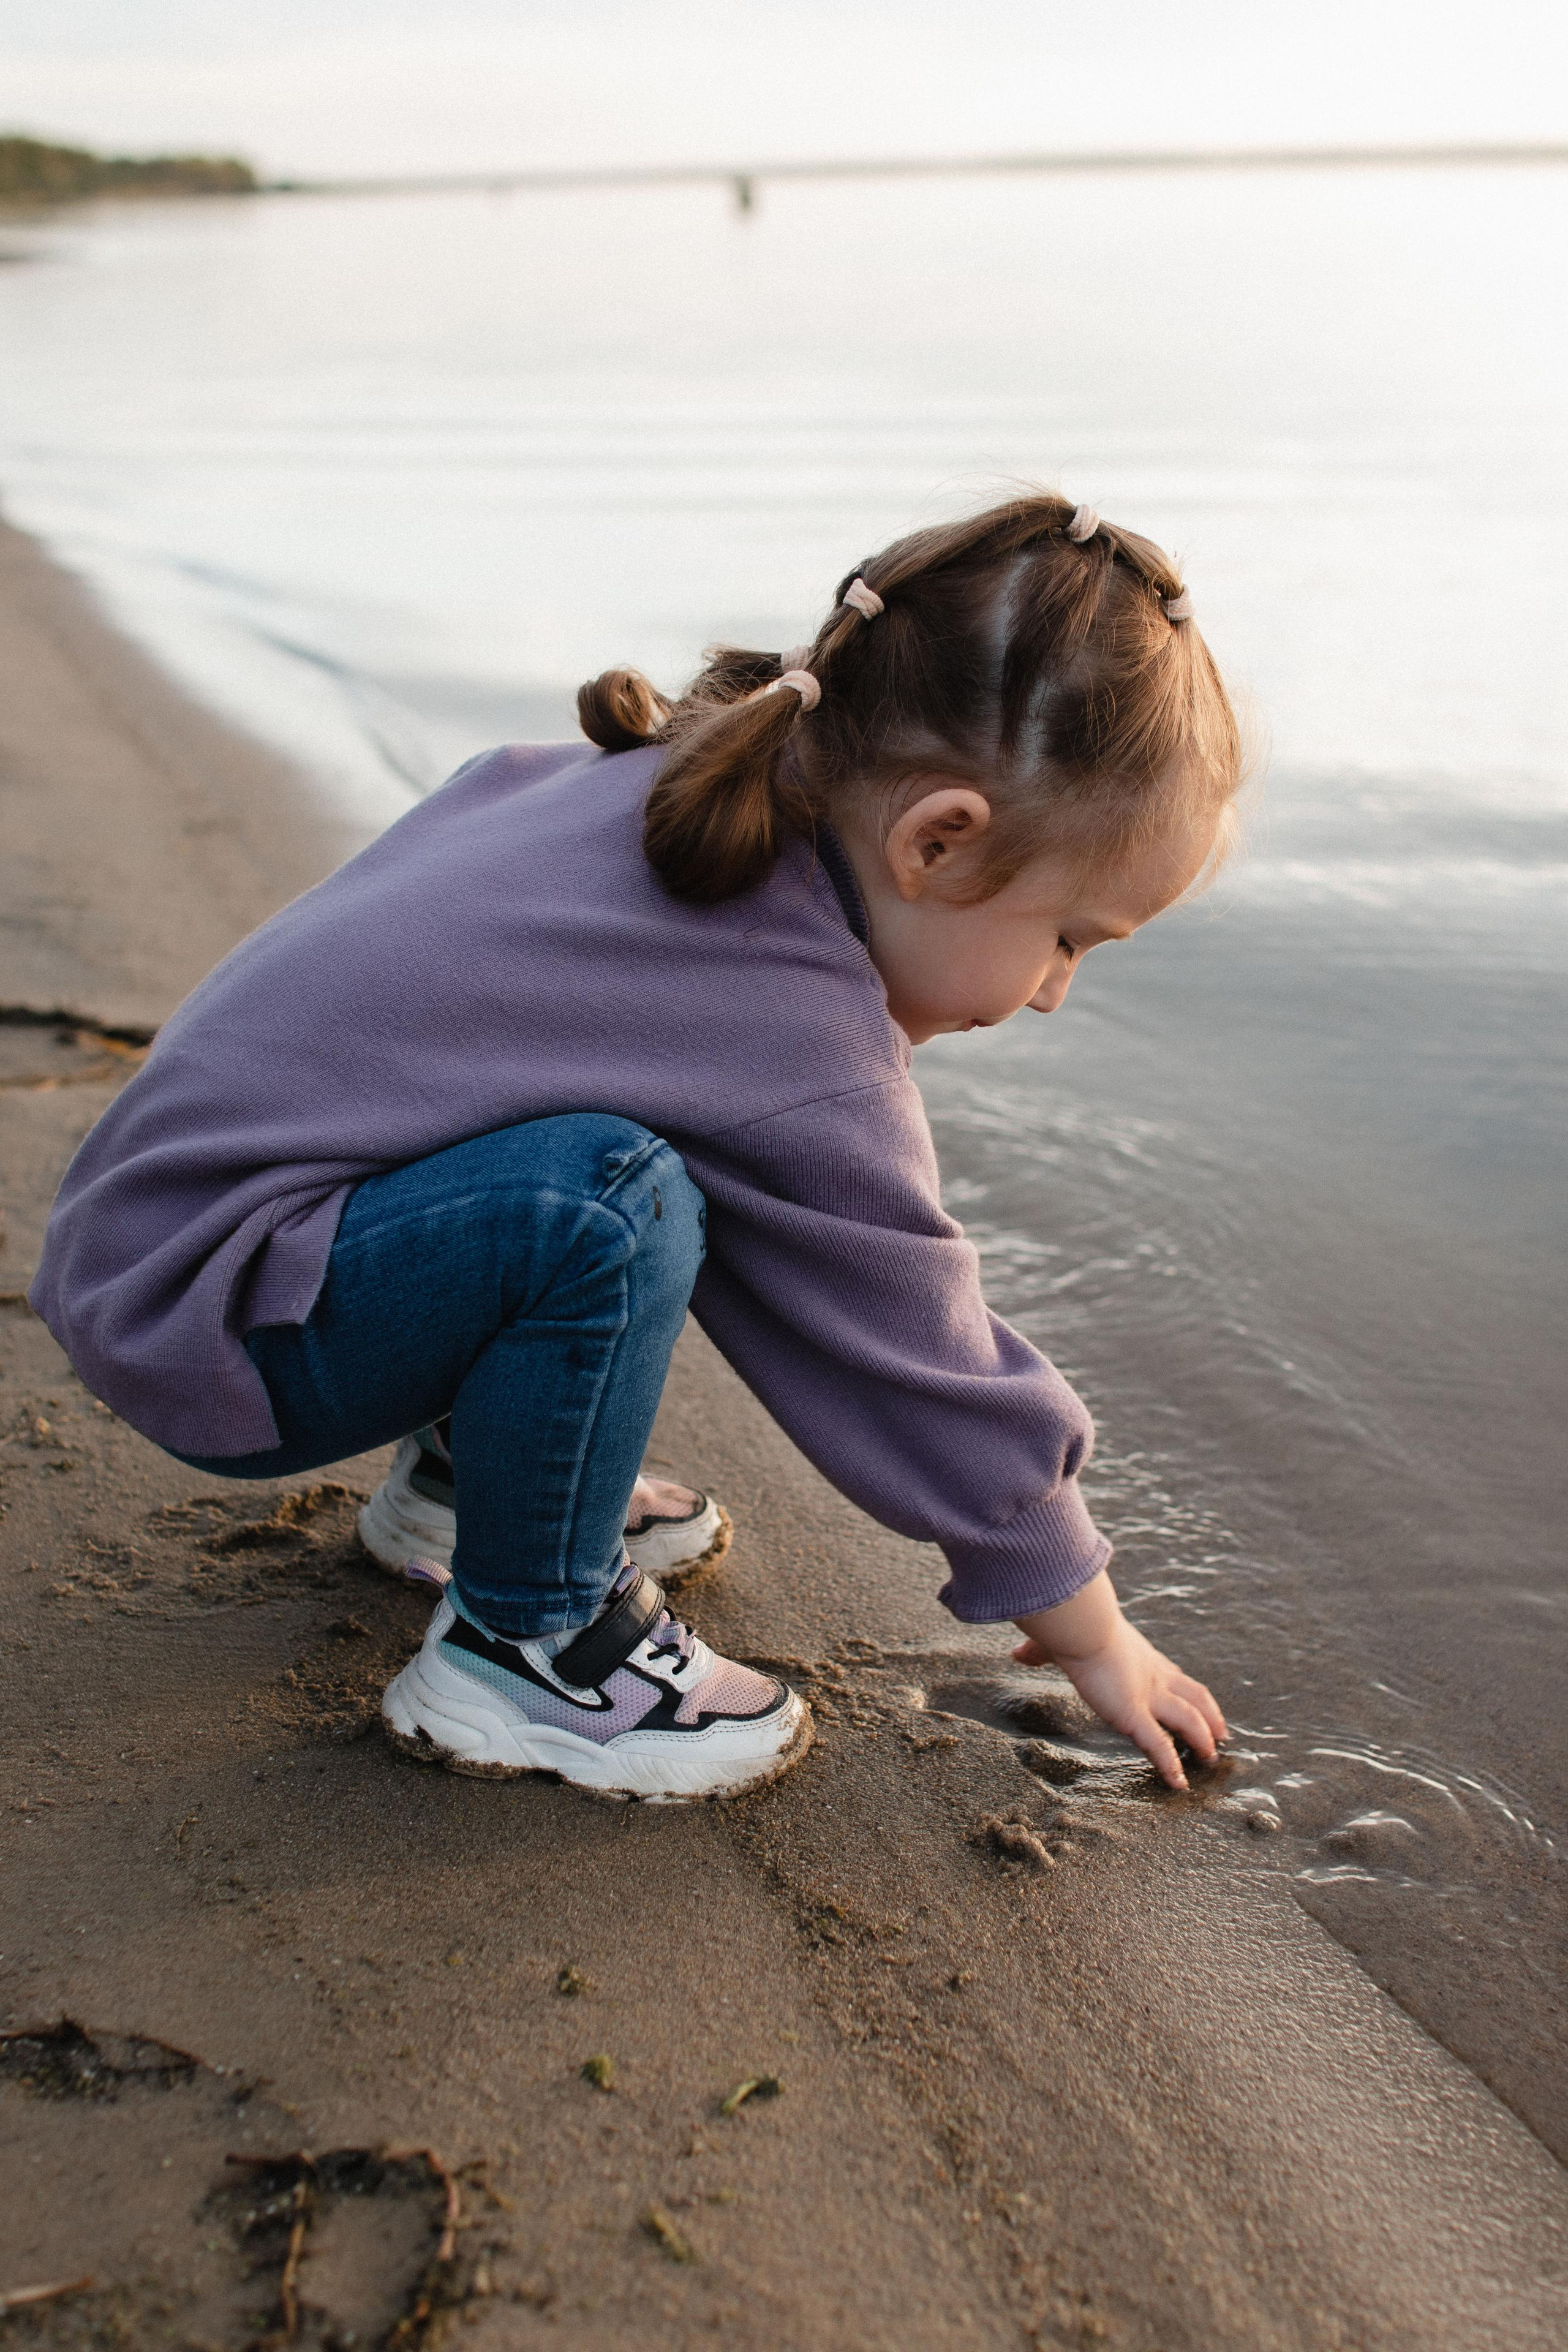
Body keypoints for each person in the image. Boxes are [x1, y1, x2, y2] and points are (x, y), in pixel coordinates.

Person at [32, 492, 1239, 1804]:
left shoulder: (657, 783)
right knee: (610, 1203)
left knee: (576, 1151)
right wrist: (1083, 1618)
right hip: (218, 1324)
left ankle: (468, 1487)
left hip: (159, 1242)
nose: (1057, 987)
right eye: (1071, 938)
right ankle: (526, 1641)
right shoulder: (788, 1021)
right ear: (936, 840)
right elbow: (908, 1342)